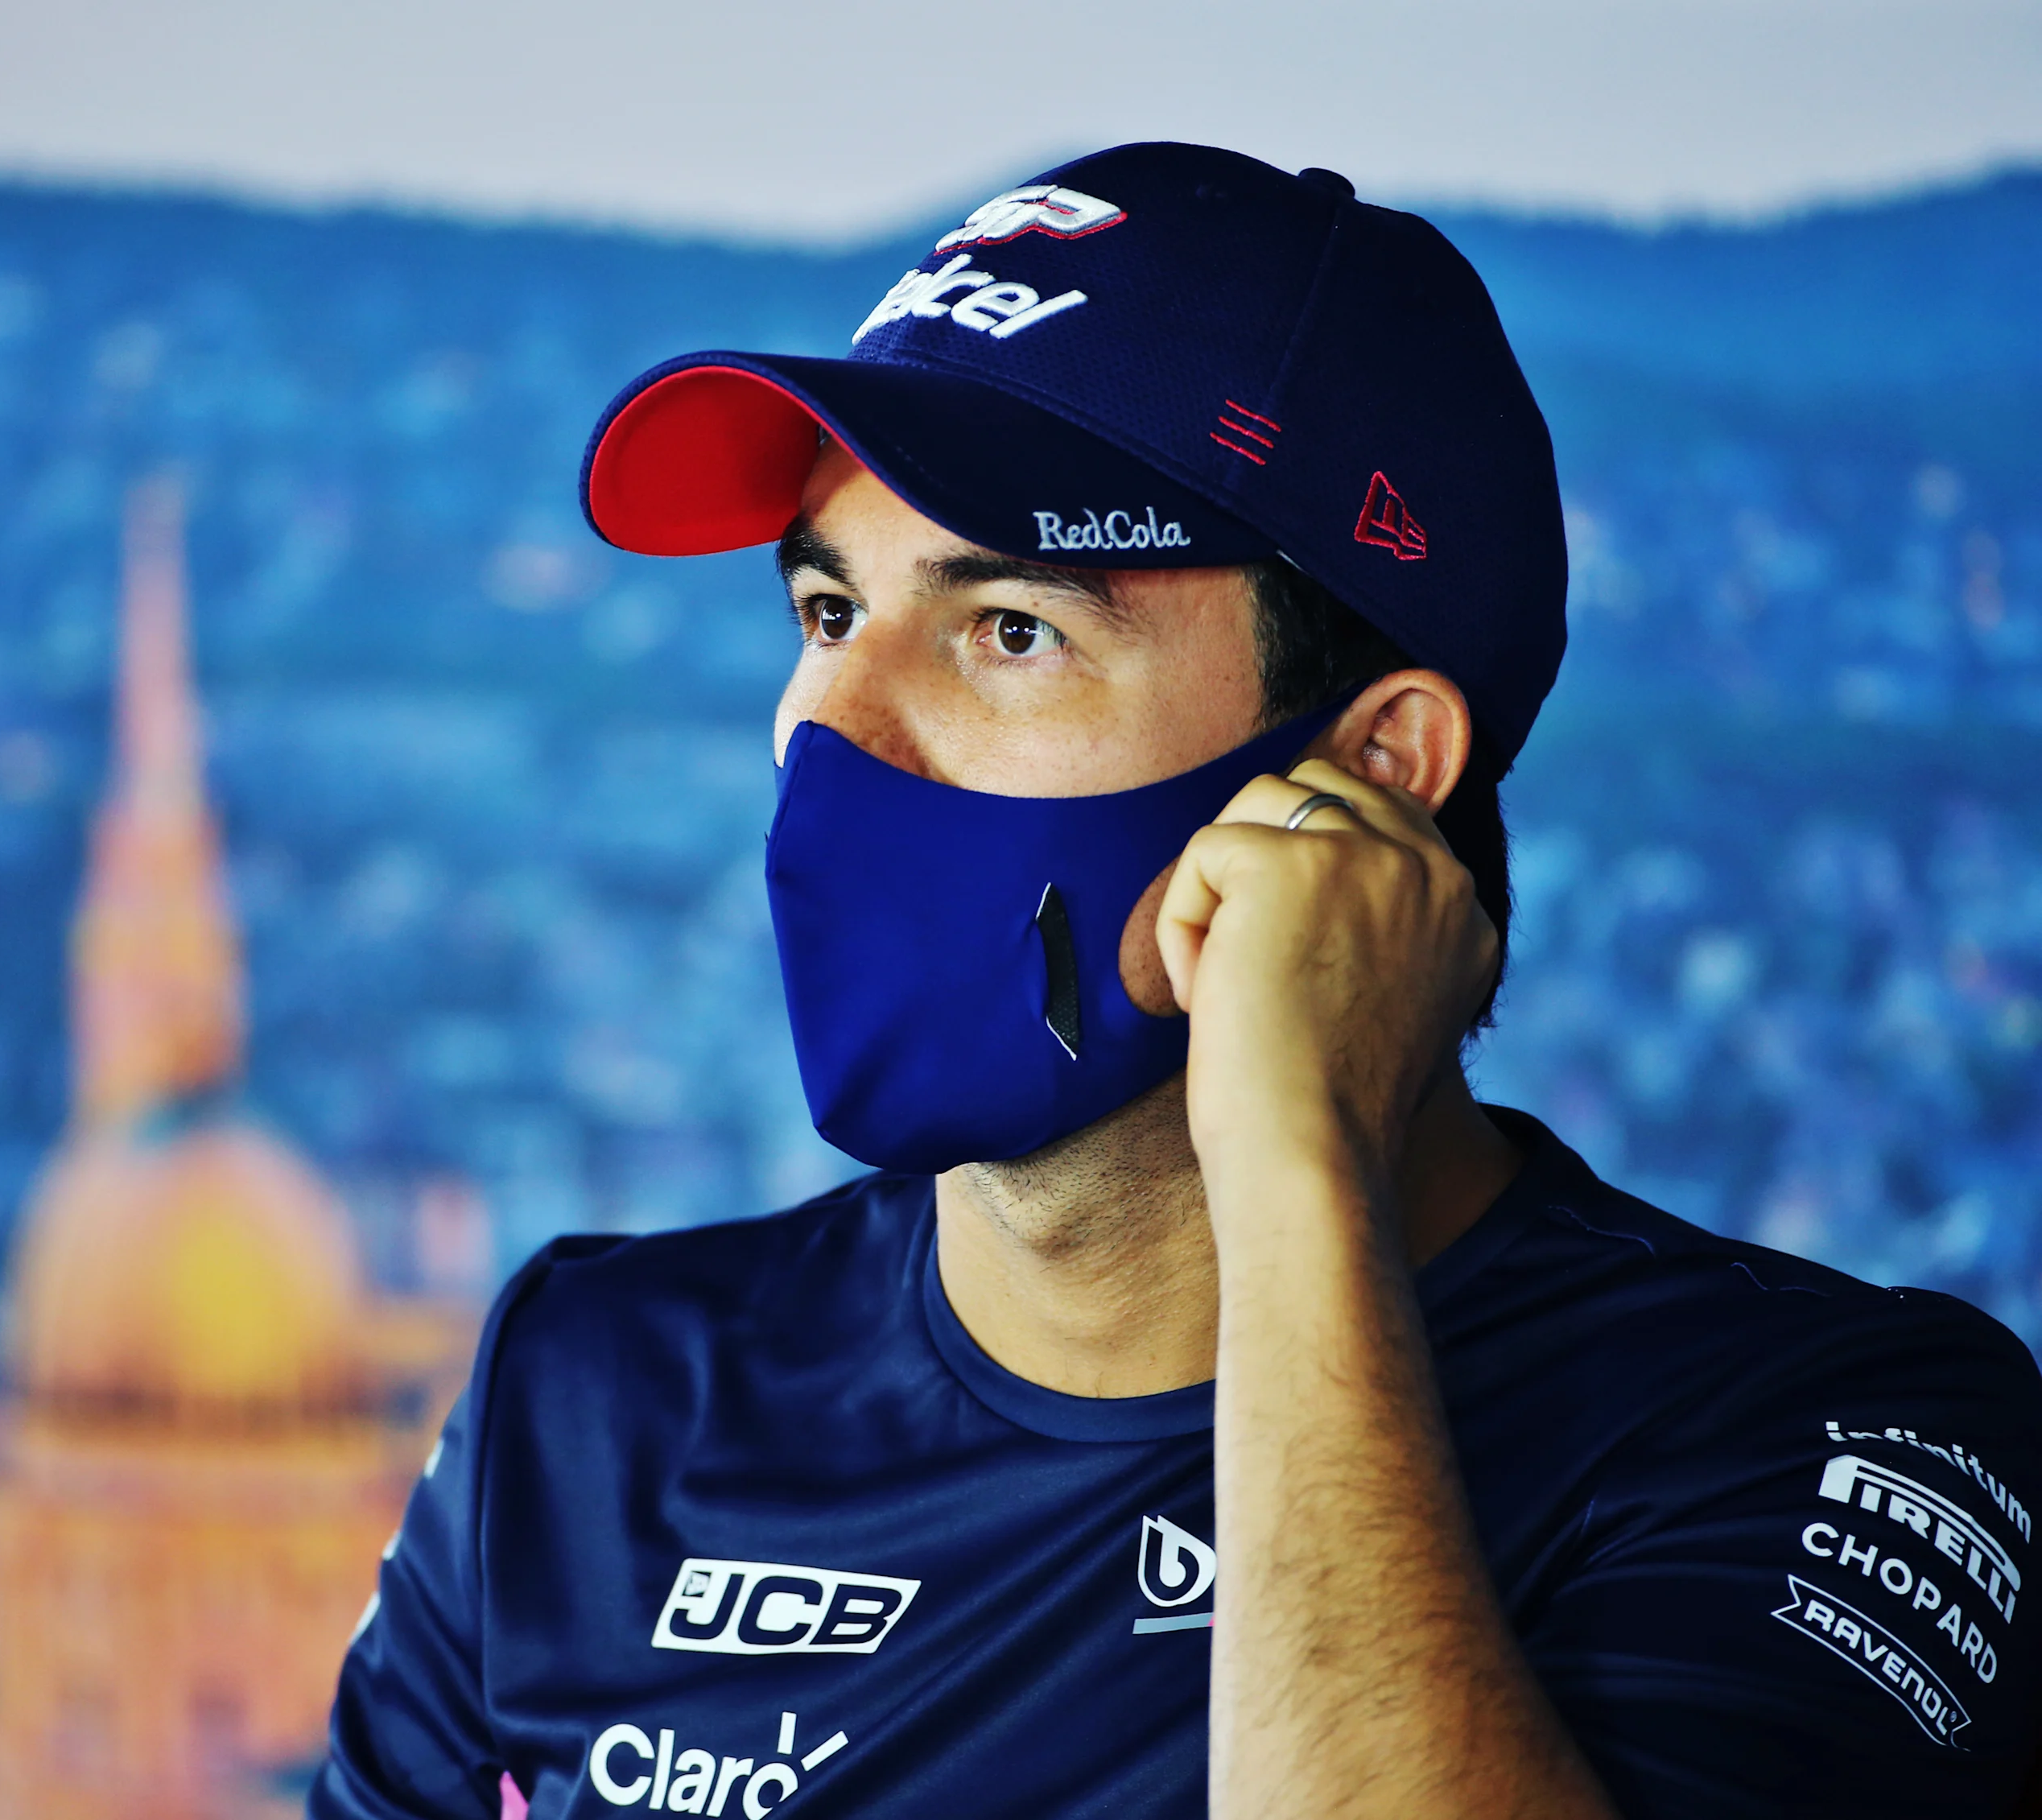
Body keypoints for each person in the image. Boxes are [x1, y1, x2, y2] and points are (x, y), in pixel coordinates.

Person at [309, 142, 2042, 1818]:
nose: (823, 731)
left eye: (1009, 632)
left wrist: (1292, 1170)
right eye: (829, 614)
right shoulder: (596, 1398)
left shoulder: (1821, 1441)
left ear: (1370, 770)